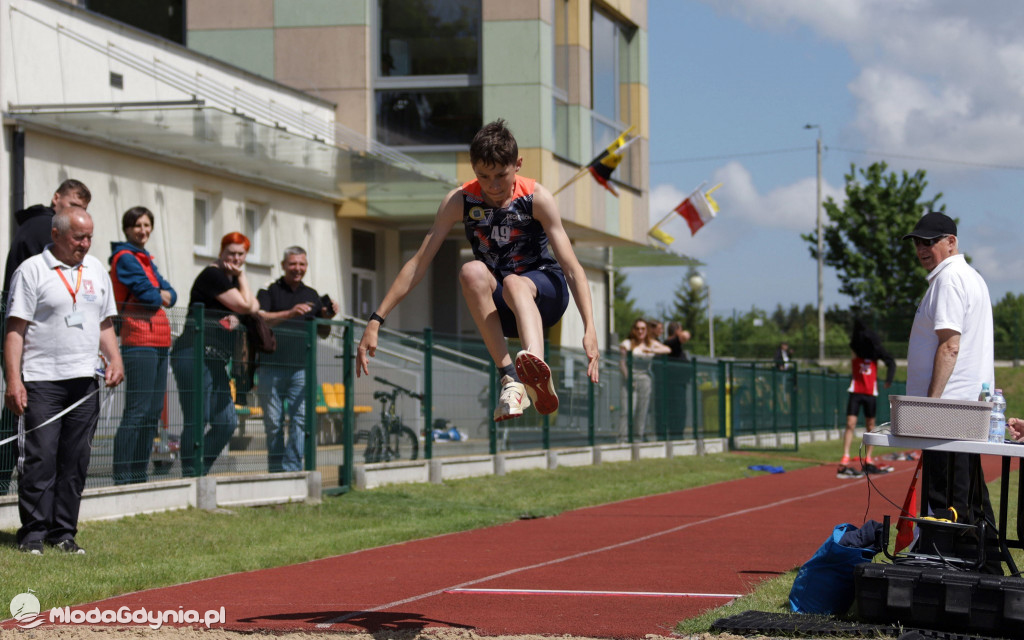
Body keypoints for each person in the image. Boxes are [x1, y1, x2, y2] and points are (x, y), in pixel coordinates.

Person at [356, 119, 600, 420]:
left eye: (501, 175)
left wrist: (589, 326)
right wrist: (376, 319)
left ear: (518, 164)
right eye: (483, 177)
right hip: (504, 310)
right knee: (471, 271)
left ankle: (534, 365)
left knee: (514, 282)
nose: (493, 187)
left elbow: (572, 268)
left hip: (545, 294)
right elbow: (419, 262)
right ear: (473, 170)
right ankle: (510, 378)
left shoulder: (536, 198)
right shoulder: (460, 200)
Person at [5, 207, 124, 554]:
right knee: (40, 459)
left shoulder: (97, 270)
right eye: (78, 237)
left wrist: (115, 358)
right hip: (41, 380)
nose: (85, 244)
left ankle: (64, 533)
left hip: (85, 381)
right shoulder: (31, 271)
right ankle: (33, 535)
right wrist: (14, 381)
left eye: (89, 237)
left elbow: (104, 323)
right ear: (56, 235)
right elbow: (15, 330)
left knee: (75, 460)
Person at [903, 211, 999, 571]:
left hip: (948, 411)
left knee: (945, 501)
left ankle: (949, 566)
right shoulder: (971, 278)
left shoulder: (948, 280)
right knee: (968, 495)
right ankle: (985, 563)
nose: (922, 249)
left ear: (951, 242)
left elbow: (950, 346)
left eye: (930, 241)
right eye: (917, 243)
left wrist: (929, 405)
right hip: (965, 409)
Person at [0, 179, 91, 496]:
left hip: (31, 340)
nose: (76, 216)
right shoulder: (42, 229)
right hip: (33, 346)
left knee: (17, 417)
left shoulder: (32, 227)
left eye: (82, 210)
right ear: (56, 200)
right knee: (31, 428)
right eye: (72, 206)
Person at [170, 232, 259, 476]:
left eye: (241, 254)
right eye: (231, 252)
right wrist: (241, 280)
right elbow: (245, 306)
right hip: (193, 354)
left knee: (226, 421)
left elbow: (254, 306)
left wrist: (241, 278)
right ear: (221, 252)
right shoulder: (213, 275)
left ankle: (198, 471)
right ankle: (190, 475)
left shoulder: (232, 281)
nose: (236, 258)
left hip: (217, 360)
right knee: (197, 419)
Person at [109, 207, 177, 485]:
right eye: (137, 225)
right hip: (139, 340)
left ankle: (139, 474)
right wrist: (159, 294)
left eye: (147, 225)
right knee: (137, 410)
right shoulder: (125, 258)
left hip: (160, 340)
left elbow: (171, 294)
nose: (143, 230)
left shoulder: (146, 259)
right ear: (127, 229)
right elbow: (151, 297)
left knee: (151, 413)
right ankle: (123, 476)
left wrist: (161, 294)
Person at [256, 247, 338, 472]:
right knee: (273, 424)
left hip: (301, 368)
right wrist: (290, 313)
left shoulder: (311, 294)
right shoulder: (269, 290)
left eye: (302, 264)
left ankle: (291, 470)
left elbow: (323, 333)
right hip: (270, 367)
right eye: (293, 264)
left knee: (301, 421)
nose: (297, 269)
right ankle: (275, 470)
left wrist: (327, 317)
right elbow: (260, 318)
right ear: (283, 265)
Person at [837, 318, 897, 479]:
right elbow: (855, 341)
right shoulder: (856, 351)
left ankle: (868, 456)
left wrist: (889, 379)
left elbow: (890, 361)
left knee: (870, 425)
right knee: (850, 423)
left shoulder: (875, 354)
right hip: (856, 391)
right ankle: (846, 454)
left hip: (870, 393)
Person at [618, 318, 671, 442]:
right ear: (634, 330)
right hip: (630, 378)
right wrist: (629, 378)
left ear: (646, 330)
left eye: (643, 329)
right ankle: (622, 438)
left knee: (642, 410)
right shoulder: (627, 343)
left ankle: (637, 437)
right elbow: (622, 363)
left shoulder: (650, 343)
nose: (640, 331)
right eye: (637, 328)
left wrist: (651, 350)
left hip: (645, 379)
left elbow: (667, 350)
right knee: (627, 410)